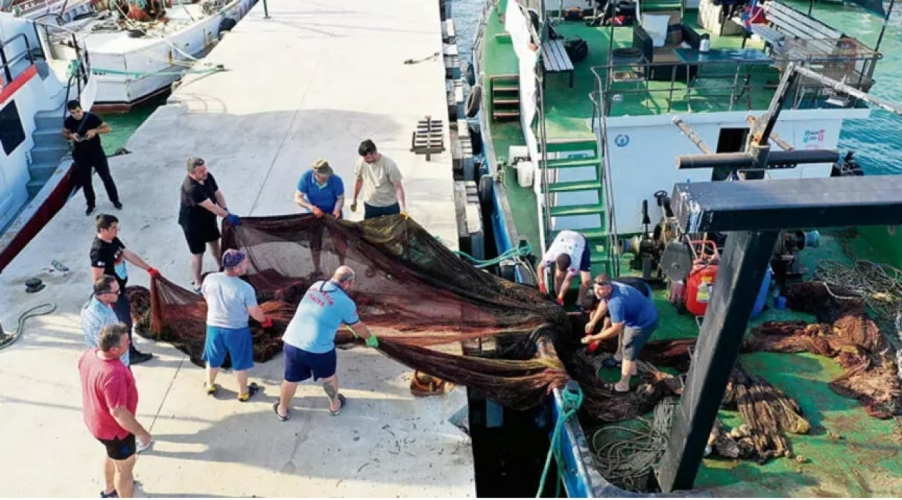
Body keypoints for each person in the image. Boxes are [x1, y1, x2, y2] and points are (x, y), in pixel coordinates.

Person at [274, 265, 378, 422]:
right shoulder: (345, 302)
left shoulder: (317, 285)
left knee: (291, 379)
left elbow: (323, 309)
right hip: (319, 349)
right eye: (353, 283)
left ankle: (282, 409)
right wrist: (369, 338)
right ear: (347, 283)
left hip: (292, 342)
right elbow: (358, 326)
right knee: (328, 377)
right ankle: (335, 406)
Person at [78, 324, 152, 499]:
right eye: (127, 341)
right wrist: (142, 434)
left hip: (96, 422)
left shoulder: (89, 354)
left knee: (113, 456)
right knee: (124, 470)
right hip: (116, 432)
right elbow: (119, 412)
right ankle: (122, 493)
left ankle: (109, 489)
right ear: (113, 349)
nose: (130, 343)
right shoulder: (114, 374)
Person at [201, 249, 270, 401]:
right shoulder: (245, 288)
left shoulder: (210, 278)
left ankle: (210, 385)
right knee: (240, 363)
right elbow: (255, 312)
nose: (247, 265)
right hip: (237, 331)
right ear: (236, 269)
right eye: (245, 263)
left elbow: (206, 296)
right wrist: (264, 320)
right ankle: (243, 392)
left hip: (213, 327)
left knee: (213, 359)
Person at [90, 214, 157, 364]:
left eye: (116, 227)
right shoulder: (99, 250)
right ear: (103, 230)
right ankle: (129, 353)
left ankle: (129, 348)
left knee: (126, 318)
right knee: (124, 323)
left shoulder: (112, 240)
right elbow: (97, 279)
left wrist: (148, 268)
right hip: (112, 295)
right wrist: (107, 298)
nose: (116, 230)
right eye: (113, 228)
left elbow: (126, 253)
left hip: (120, 290)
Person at [582, 274, 659, 393]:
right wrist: (593, 321)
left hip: (643, 323)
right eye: (595, 289)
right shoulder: (613, 287)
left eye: (600, 289)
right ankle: (632, 370)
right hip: (639, 315)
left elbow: (615, 329)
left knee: (629, 349)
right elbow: (603, 302)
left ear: (608, 288)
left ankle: (623, 385)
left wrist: (593, 338)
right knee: (627, 341)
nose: (597, 292)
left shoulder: (616, 302)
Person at [179, 157, 241, 293]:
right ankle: (197, 282)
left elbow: (217, 193)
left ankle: (223, 269)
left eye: (205, 169)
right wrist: (227, 216)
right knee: (198, 253)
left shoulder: (208, 177)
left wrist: (225, 209)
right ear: (191, 173)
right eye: (200, 171)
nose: (205, 173)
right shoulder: (191, 188)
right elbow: (212, 206)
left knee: (215, 245)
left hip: (208, 219)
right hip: (193, 224)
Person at [62, 100, 121, 216]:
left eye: (78, 111)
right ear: (70, 113)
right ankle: (91, 204)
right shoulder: (68, 121)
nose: (76, 115)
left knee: (106, 177)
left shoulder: (92, 117)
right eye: (73, 113)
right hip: (80, 154)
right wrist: (70, 136)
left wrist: (95, 131)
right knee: (86, 181)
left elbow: (107, 129)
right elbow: (64, 133)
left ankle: (115, 200)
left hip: (96, 152)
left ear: (81, 108)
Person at [294, 159, 347, 277]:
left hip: (332, 213)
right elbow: (298, 197)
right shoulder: (306, 178)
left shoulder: (336, 180)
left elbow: (340, 198)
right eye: (323, 176)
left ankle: (342, 267)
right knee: (315, 243)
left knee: (339, 241)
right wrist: (311, 207)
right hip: (315, 215)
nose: (326, 177)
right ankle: (317, 269)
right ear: (315, 174)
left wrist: (337, 209)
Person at [350, 139, 407, 220]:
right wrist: (354, 199)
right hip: (371, 204)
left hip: (389, 205)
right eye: (364, 158)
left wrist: (402, 208)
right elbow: (359, 181)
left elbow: (398, 186)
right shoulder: (361, 163)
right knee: (370, 230)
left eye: (368, 157)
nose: (365, 160)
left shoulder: (389, 165)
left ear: (375, 153)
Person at [536, 229, 593, 306]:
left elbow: (567, 281)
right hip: (563, 237)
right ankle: (559, 298)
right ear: (555, 261)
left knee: (586, 281)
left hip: (580, 242)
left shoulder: (575, 263)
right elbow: (540, 268)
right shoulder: (551, 255)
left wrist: (561, 297)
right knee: (559, 276)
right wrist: (542, 284)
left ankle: (579, 302)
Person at [82, 275, 129, 366]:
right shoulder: (97, 318)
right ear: (105, 296)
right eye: (116, 292)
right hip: (117, 364)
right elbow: (105, 347)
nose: (119, 293)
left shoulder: (100, 301)